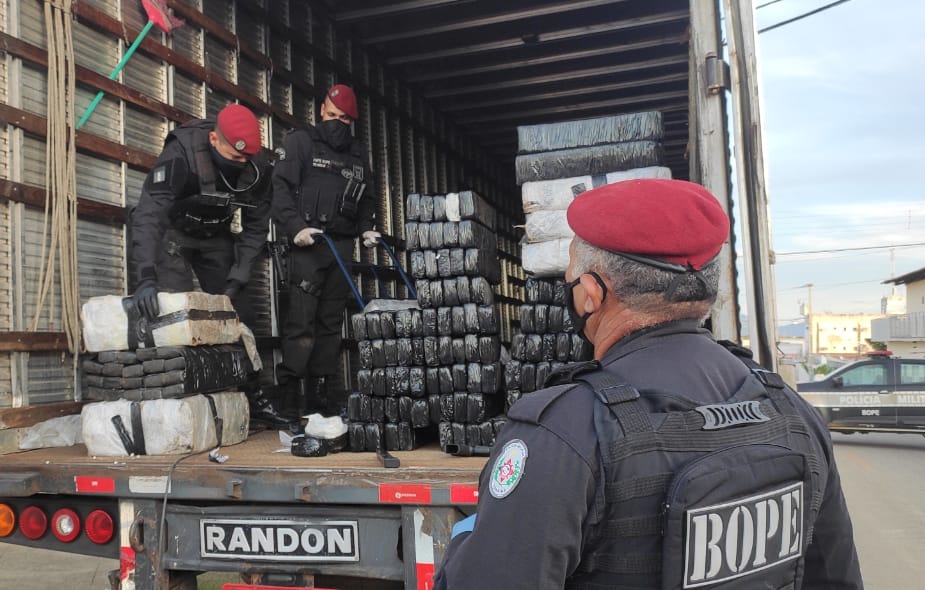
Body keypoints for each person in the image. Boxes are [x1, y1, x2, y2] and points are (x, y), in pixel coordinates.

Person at [435, 179, 862, 589]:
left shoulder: (566, 432)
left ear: (591, 292)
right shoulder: (791, 412)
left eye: (571, 269)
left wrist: (471, 539)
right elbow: (836, 578)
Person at [126, 103, 289, 428]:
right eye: (234, 156)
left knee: (239, 313)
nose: (241, 163)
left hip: (215, 234)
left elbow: (256, 227)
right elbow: (148, 214)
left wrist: (238, 276)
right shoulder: (181, 154)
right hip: (173, 235)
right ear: (214, 139)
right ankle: (177, 401)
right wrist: (146, 276)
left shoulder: (258, 166)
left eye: (246, 158)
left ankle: (251, 393)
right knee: (175, 314)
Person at [270, 84, 381, 418]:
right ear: (321, 110)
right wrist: (295, 228)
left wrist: (366, 227)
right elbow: (280, 190)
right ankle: (290, 394)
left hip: (342, 245)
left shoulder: (358, 154)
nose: (336, 123)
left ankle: (320, 394)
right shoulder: (300, 142)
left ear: (352, 121)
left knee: (331, 321)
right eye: (332, 115)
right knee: (301, 321)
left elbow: (367, 197)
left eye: (344, 119)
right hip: (308, 242)